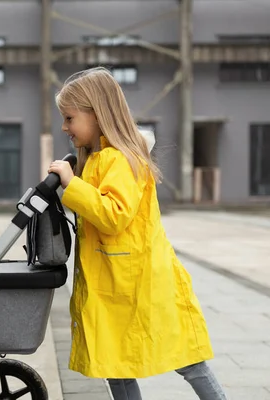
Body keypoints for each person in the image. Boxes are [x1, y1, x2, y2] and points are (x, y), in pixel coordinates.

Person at [47, 67, 227, 400]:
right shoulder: (100, 159)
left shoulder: (119, 159)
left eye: (70, 118)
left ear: (96, 114)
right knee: (114, 364)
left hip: (142, 283)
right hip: (117, 282)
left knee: (187, 358)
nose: (64, 127)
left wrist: (71, 184)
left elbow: (113, 215)